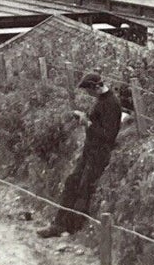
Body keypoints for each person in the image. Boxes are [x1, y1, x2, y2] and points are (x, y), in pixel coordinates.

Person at [37, 72, 126, 237]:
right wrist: (85, 118)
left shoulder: (112, 104)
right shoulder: (102, 100)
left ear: (96, 86)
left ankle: (72, 228)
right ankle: (58, 225)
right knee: (72, 182)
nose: (88, 94)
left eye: (89, 91)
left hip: (100, 153)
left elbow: (109, 136)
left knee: (84, 188)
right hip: (90, 150)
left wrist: (88, 123)